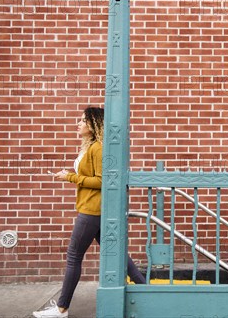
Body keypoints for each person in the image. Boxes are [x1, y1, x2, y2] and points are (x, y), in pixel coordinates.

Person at [33, 107, 145, 318]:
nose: (79, 123)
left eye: (83, 120)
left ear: (94, 125)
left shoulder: (98, 148)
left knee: (73, 256)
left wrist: (71, 177)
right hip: (93, 209)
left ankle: (61, 308)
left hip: (92, 210)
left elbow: (103, 181)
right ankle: (146, 288)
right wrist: (70, 174)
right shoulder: (91, 146)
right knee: (119, 254)